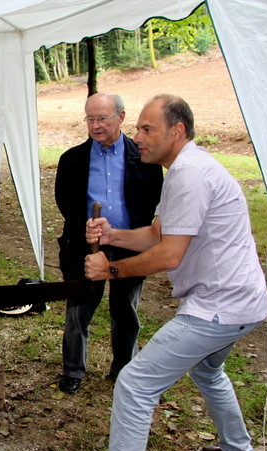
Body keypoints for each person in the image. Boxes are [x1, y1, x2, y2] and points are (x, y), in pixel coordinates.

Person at [61, 95, 267, 451]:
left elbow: (168, 255)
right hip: (240, 300)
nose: (137, 138)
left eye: (146, 129)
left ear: (177, 132)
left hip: (219, 306)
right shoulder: (183, 170)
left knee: (135, 385)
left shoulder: (189, 174)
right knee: (209, 371)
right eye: (137, 128)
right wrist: (114, 234)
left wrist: (110, 270)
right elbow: (158, 233)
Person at [55, 93, 163, 395]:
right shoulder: (72, 159)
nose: (96, 125)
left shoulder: (143, 157)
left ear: (121, 117)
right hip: (86, 246)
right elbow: (66, 203)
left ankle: (124, 372)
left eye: (102, 118)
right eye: (90, 119)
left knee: (125, 310)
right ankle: (73, 370)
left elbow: (152, 202)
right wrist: (84, 230)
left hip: (130, 244)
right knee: (79, 309)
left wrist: (135, 235)